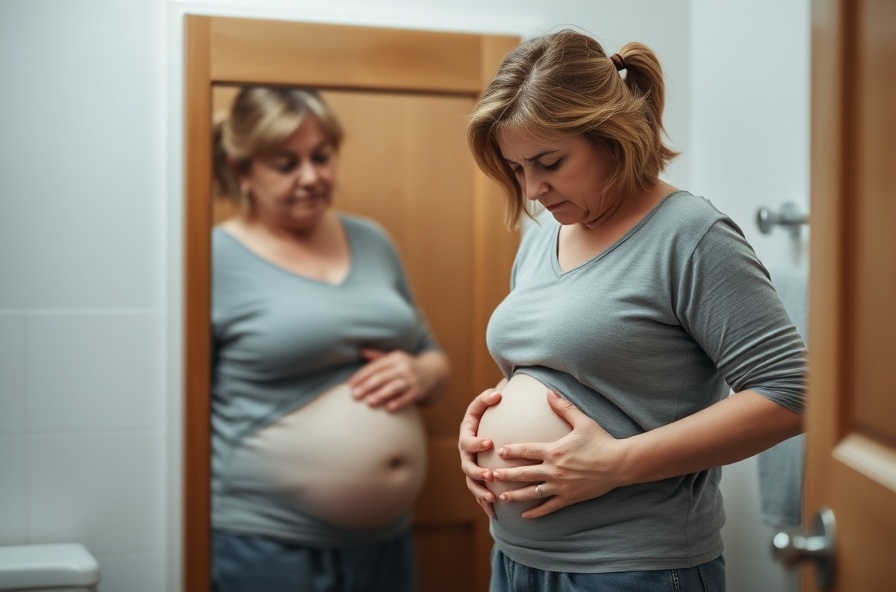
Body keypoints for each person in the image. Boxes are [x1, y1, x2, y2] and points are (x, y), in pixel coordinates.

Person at [457, 29, 806, 591]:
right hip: (518, 560)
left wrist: (614, 463)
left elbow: (792, 391)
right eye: (518, 168)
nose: (532, 190)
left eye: (549, 161)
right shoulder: (544, 237)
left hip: (632, 568)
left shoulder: (689, 236)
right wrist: (479, 439)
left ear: (612, 135)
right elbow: (560, 379)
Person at [211, 85, 450, 592]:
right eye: (286, 163)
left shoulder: (372, 240)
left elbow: (431, 355)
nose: (312, 177)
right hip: (268, 542)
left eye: (322, 157)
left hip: (387, 544)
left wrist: (419, 372)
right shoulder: (213, 257)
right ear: (242, 170)